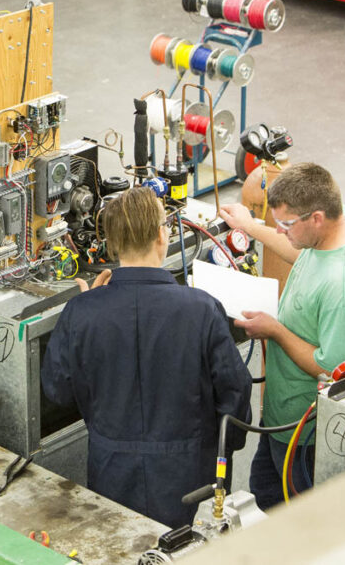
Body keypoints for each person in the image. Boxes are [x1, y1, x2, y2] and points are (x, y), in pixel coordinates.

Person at [41, 186, 252, 528]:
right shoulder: (201, 309)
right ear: (161, 236)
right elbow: (236, 395)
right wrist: (221, 454)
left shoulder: (81, 312)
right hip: (190, 480)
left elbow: (58, 391)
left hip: (111, 475)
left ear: (111, 244)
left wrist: (86, 310)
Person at [219, 162, 345, 511]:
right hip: (282, 414)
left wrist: (275, 330)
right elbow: (301, 250)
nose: (281, 232)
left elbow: (334, 370)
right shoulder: (344, 223)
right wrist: (249, 227)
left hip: (305, 429)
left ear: (317, 217)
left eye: (286, 224)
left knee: (294, 513)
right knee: (264, 492)